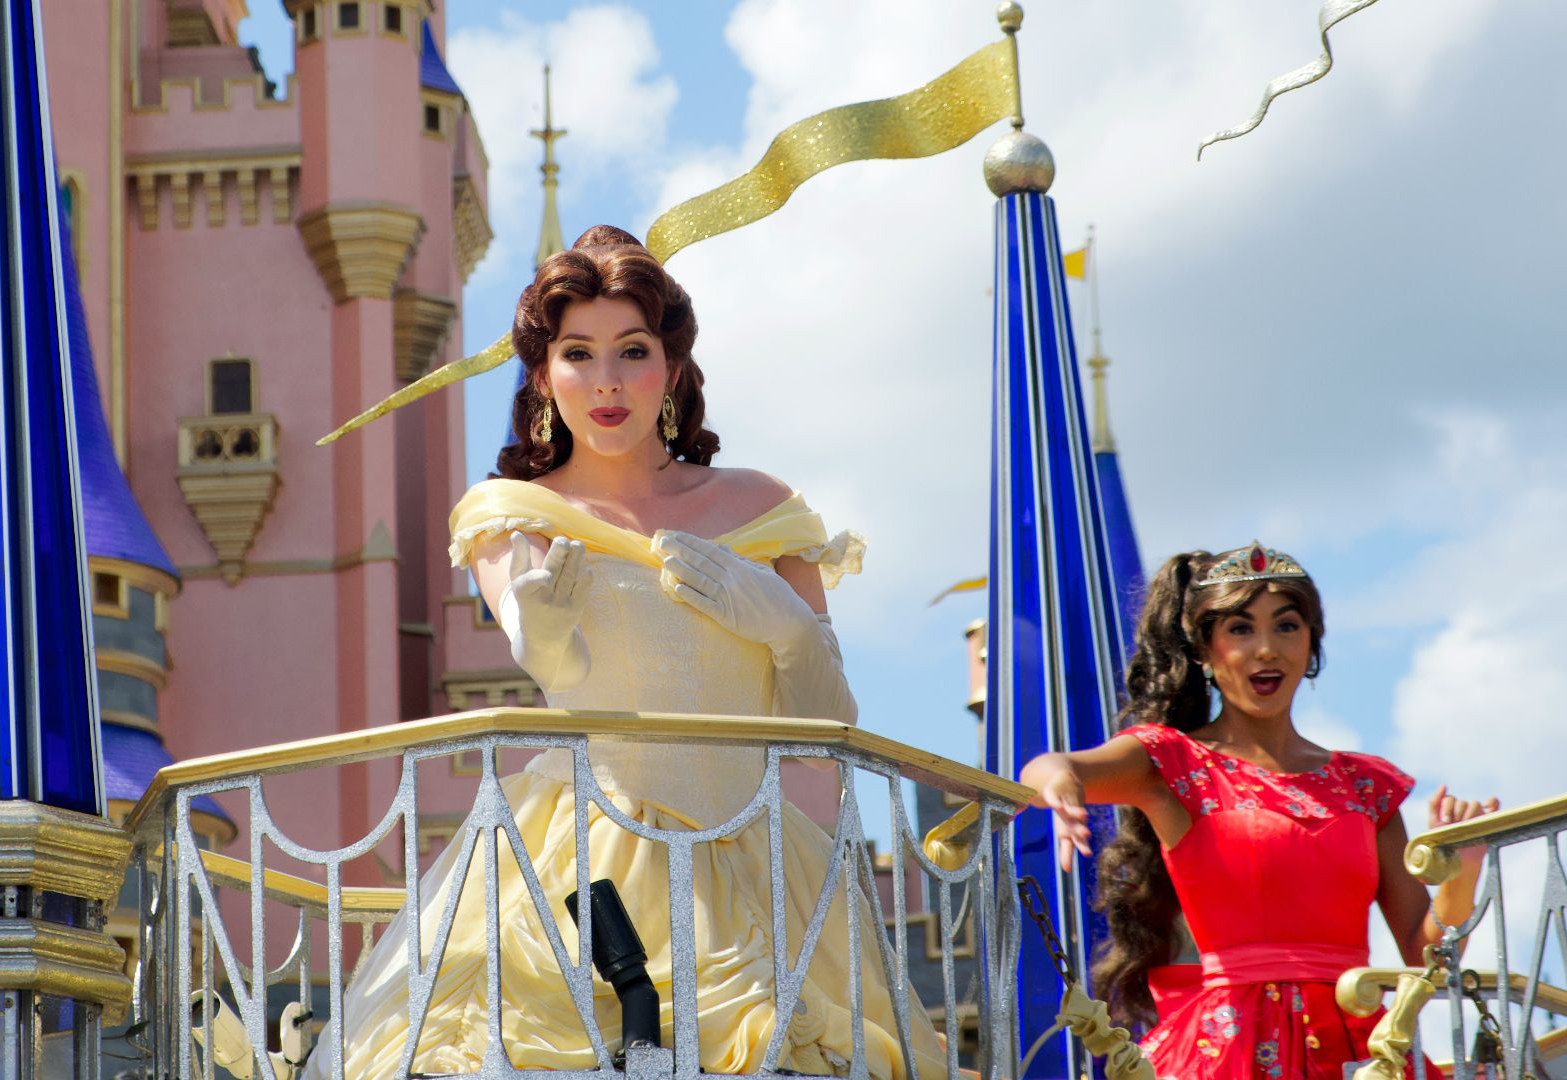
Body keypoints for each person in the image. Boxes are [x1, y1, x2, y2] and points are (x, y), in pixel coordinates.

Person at [310, 226, 946, 1080]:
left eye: (632, 350)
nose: (605, 382)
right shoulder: (513, 514)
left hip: (754, 864)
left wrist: (787, 627)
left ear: (673, 367)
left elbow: (828, 725)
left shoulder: (764, 509)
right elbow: (559, 675)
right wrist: (543, 633)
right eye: (578, 353)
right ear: (542, 375)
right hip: (583, 857)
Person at [1019, 545, 1498, 1080]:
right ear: (1204, 651)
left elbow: (1425, 957)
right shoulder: (1174, 761)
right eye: (1241, 630)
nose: (1267, 649)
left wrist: (1462, 872)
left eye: (1287, 626)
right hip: (1227, 1051)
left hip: (1356, 1048)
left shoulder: (1366, 785)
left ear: (1311, 643)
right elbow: (1049, 766)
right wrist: (1059, 784)